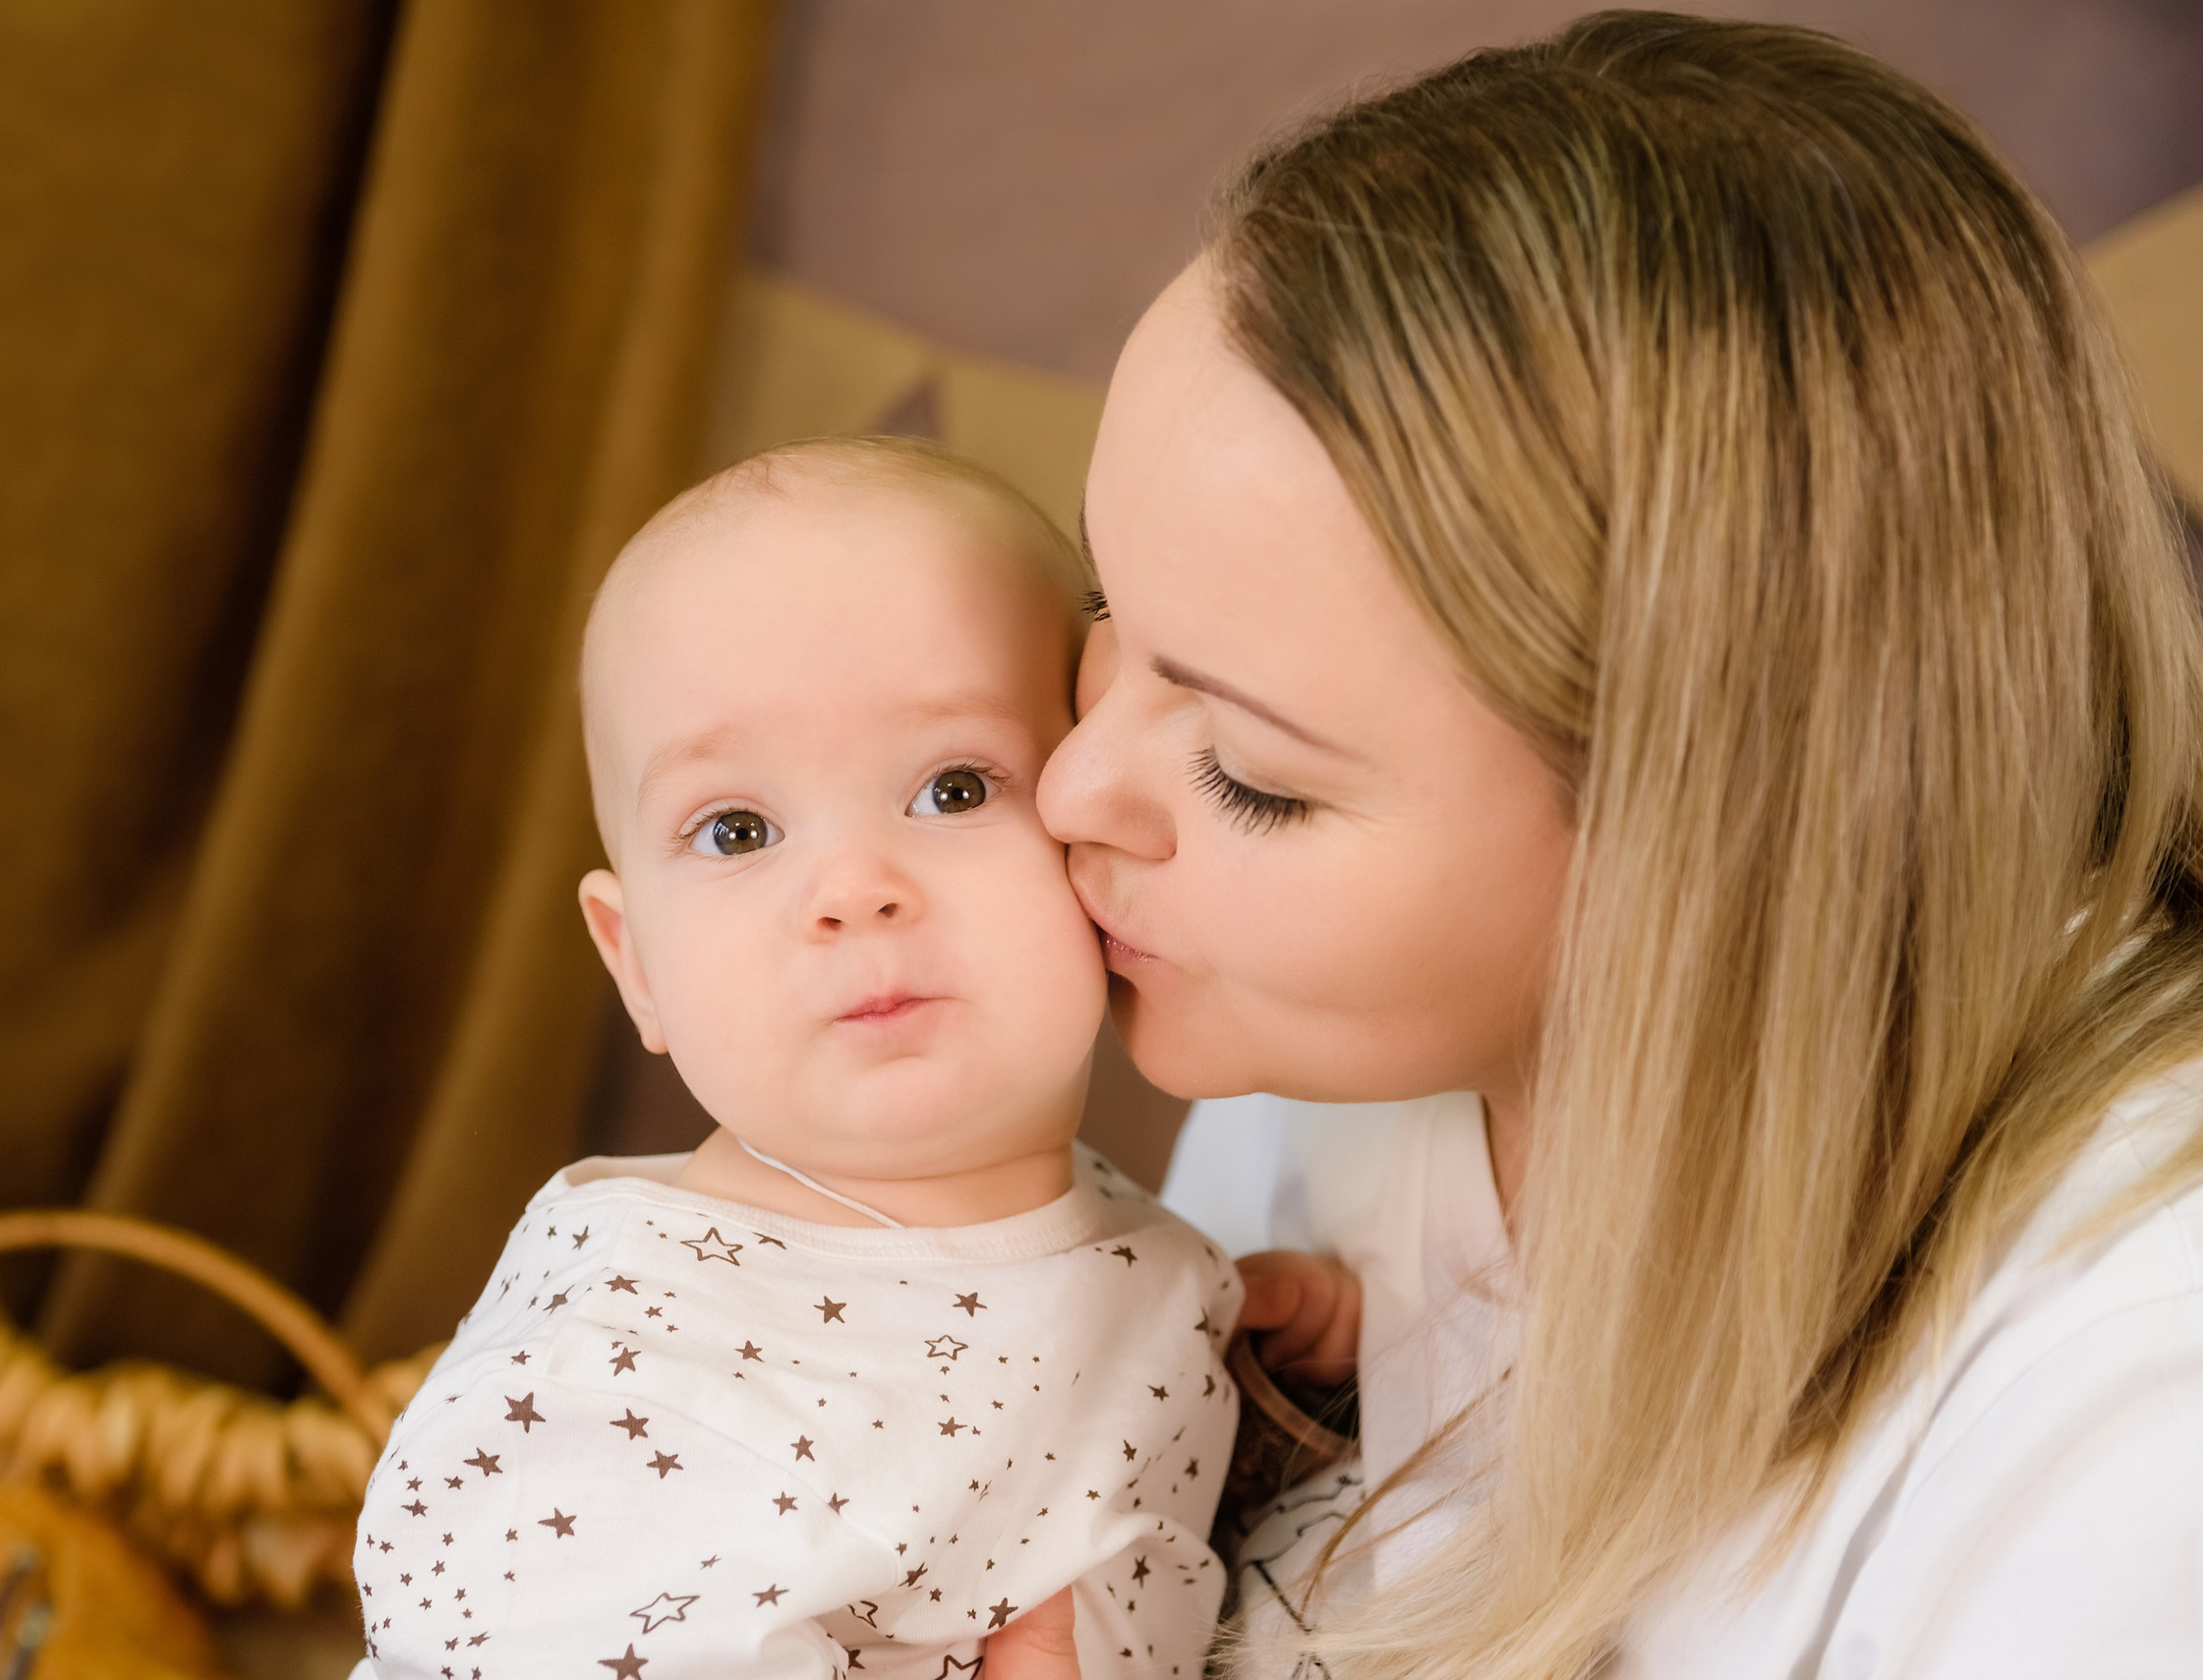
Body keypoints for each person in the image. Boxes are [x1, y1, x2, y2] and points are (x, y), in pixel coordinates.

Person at [985, 11, 2203, 1679]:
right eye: (1108, 607)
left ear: (1714, 834)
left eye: (1252, 775)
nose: (1068, 790)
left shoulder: (2137, 1392)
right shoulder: (1322, 1052)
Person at [349, 436, 1242, 1679]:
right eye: (736, 828)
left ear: (1093, 821)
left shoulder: (1118, 1241)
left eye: (952, 787)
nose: (852, 887)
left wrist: (1266, 1374)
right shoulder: (621, 1394)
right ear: (636, 964)